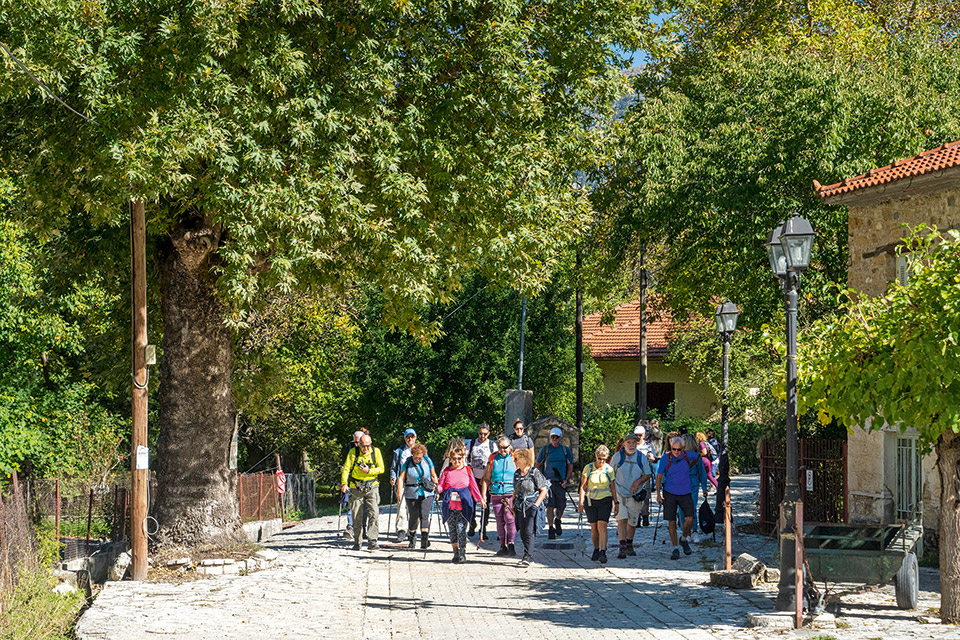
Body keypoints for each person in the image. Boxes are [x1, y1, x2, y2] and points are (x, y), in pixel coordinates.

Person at [656, 436, 708, 559]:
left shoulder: (689, 455)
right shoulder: (666, 458)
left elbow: (700, 457)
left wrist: (703, 485)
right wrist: (658, 494)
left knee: (689, 518)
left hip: (686, 492)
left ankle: (684, 538)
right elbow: (659, 476)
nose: (676, 452)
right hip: (669, 492)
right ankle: (675, 548)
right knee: (672, 521)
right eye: (674, 449)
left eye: (679, 449)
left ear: (683, 448)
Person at [437, 442, 485, 563]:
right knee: (452, 531)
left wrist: (480, 499)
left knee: (461, 529)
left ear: (463, 458)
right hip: (449, 506)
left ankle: (462, 553)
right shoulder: (447, 471)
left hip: (464, 506)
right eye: (454, 458)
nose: (457, 461)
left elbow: (473, 486)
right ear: (450, 459)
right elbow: (441, 486)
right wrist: (437, 490)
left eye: (459, 458)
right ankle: (455, 553)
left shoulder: (467, 470)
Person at [340, 434, 385, 551]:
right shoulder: (353, 453)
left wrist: (369, 471)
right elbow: (346, 469)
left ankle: (372, 541)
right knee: (356, 515)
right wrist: (344, 483)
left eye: (368, 446)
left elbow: (381, 469)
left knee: (374, 513)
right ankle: (357, 542)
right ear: (359, 444)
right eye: (363, 446)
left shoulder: (376, 452)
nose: (366, 449)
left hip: (372, 486)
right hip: (356, 487)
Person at [611, 431, 652, 558]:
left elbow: (648, 474)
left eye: (634, 442)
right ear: (623, 444)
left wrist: (638, 482)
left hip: (635, 494)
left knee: (632, 522)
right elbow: (610, 475)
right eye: (629, 442)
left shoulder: (641, 457)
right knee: (622, 519)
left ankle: (629, 543)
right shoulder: (617, 457)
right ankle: (622, 546)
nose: (632, 445)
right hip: (619, 493)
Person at [578, 445, 617, 563]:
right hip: (591, 500)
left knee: (602, 525)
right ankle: (596, 549)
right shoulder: (588, 468)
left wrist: (616, 502)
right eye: (600, 458)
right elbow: (583, 486)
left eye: (604, 459)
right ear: (596, 456)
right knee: (594, 527)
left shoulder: (609, 470)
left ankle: (603, 551)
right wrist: (580, 502)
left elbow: (613, 487)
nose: (602, 461)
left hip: (605, 499)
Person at [396, 443, 438, 549]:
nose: (418, 460)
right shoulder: (408, 462)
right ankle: (412, 540)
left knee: (424, 515)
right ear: (412, 455)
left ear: (423, 455)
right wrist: (399, 492)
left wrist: (437, 489)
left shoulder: (428, 461)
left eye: (420, 458)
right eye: (416, 458)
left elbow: (433, 475)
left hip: (427, 492)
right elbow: (401, 478)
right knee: (413, 516)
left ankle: (424, 540)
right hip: (411, 492)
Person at [482, 435, 518, 556]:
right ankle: (503, 545)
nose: (502, 450)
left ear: (510, 447)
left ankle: (511, 543)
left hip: (510, 493)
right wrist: (483, 495)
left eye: (505, 447)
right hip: (496, 492)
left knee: (509, 518)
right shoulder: (493, 458)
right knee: (499, 520)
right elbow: (486, 478)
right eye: (500, 447)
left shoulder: (515, 457)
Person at [535, 427, 573, 539]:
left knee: (561, 505)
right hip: (548, 483)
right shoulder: (545, 449)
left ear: (560, 438)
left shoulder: (565, 450)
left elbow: (570, 465)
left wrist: (566, 479)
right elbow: (538, 464)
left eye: (557, 437)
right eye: (553, 437)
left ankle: (558, 520)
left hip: (561, 482)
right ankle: (551, 527)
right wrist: (540, 479)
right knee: (550, 505)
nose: (555, 439)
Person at [512, 447, 548, 566]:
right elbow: (515, 491)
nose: (515, 461)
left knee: (529, 531)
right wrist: (512, 505)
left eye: (516, 459)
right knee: (522, 532)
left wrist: (536, 505)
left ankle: (528, 556)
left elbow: (543, 490)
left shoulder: (534, 473)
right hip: (519, 505)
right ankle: (527, 554)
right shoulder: (517, 473)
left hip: (531, 505)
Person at [465, 423, 497, 540]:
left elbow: (495, 460)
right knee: (471, 503)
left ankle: (483, 527)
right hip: (473, 478)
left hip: (487, 479)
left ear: (488, 434)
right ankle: (472, 523)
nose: (482, 436)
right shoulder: (472, 443)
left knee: (485, 504)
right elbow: (464, 457)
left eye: (484, 434)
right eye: (480, 433)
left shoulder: (492, 445)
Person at [679, 433, 710, 541]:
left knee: (692, 508)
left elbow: (702, 473)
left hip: (692, 484)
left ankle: (694, 530)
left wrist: (704, 488)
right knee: (681, 509)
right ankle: (685, 532)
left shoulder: (696, 457)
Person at [390, 428, 419, 543]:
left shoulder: (420, 450)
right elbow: (394, 467)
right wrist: (393, 477)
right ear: (404, 438)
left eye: (412, 436)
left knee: (414, 507)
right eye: (407, 437)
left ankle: (412, 530)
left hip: (416, 483)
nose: (410, 439)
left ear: (415, 437)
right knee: (401, 506)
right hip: (401, 482)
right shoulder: (399, 451)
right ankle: (401, 530)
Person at [339, 430, 364, 539]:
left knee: (363, 506)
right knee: (351, 504)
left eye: (358, 442)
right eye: (355, 442)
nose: (357, 444)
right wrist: (342, 481)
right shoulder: (349, 449)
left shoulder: (368, 449)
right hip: (350, 481)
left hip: (364, 482)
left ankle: (362, 527)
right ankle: (350, 526)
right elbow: (344, 464)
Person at [634, 424, 657, 527]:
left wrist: (652, 458)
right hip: (633, 474)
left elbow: (655, 460)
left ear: (644, 435)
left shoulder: (648, 446)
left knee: (645, 496)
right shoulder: (631, 445)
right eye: (636, 435)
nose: (638, 437)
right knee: (634, 495)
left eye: (640, 435)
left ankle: (645, 516)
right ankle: (637, 517)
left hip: (645, 474)